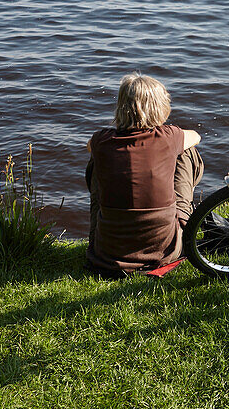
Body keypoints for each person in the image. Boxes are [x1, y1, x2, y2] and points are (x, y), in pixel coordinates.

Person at [85, 73, 204, 276]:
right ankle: (183, 217)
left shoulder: (101, 140)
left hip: (106, 254)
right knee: (187, 151)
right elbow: (196, 136)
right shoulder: (168, 136)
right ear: (159, 106)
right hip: (165, 252)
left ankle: (100, 227)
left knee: (98, 160)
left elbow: (90, 147)